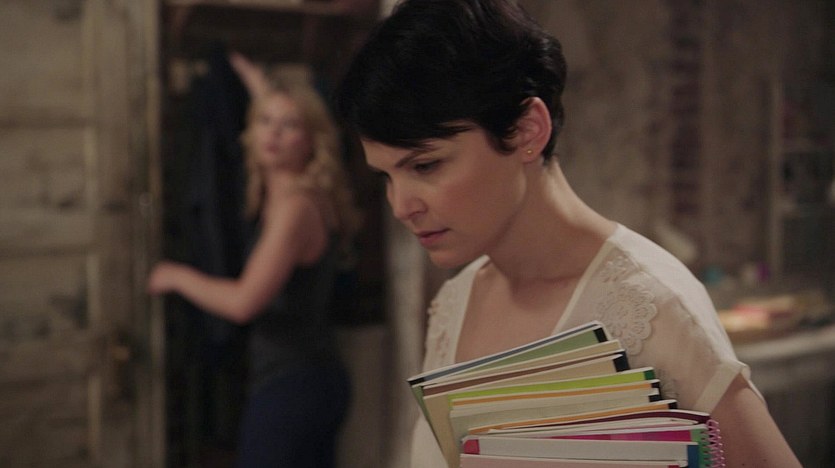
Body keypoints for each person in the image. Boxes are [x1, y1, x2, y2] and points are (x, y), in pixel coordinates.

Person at [333, 1, 801, 467]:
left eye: (425, 165)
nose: (401, 206)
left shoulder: (650, 306)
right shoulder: (455, 304)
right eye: (386, 176)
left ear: (526, 131)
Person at [149, 54, 361, 468]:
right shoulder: (290, 192)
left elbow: (244, 302)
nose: (273, 134)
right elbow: (277, 117)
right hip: (306, 378)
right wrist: (254, 80)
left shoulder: (295, 209)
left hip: (294, 385)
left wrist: (174, 276)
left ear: (312, 140)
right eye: (265, 121)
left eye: (289, 125)